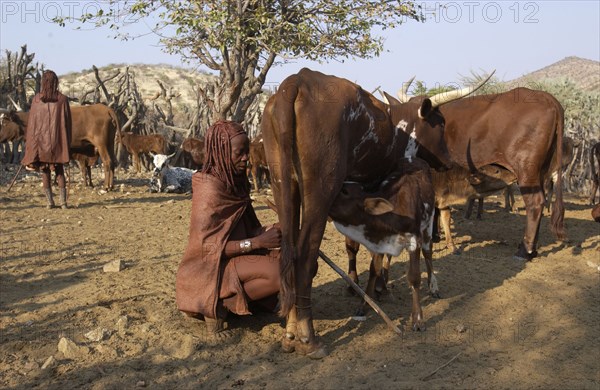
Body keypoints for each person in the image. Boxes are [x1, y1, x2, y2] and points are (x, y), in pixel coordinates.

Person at [176, 120, 281, 337]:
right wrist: (257, 243)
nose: (246, 158)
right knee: (280, 273)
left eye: (247, 152)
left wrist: (275, 230)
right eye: (239, 153)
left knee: (297, 257)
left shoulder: (235, 181)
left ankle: (246, 302)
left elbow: (246, 228)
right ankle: (219, 308)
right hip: (210, 271)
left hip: (237, 258)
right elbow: (208, 249)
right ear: (221, 152)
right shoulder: (209, 189)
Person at [21, 70, 72, 209]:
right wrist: (67, 144)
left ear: (43, 82)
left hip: (41, 145)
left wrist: (31, 148)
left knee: (45, 171)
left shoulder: (37, 100)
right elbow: (67, 125)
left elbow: (32, 127)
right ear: (56, 82)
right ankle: (63, 203)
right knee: (60, 171)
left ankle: (50, 203)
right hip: (58, 144)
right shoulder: (62, 100)